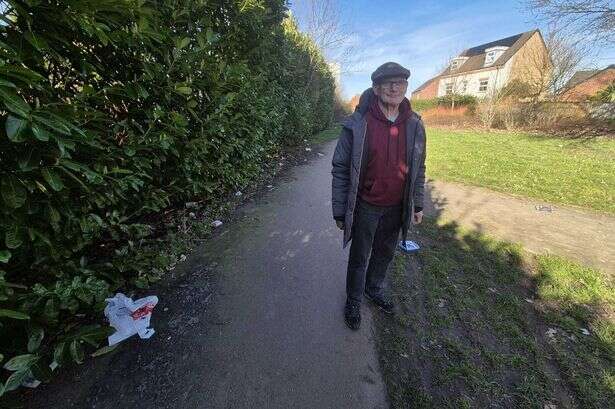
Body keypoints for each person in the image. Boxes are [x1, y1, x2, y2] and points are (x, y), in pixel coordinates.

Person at [331, 62, 426, 330]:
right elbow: (340, 167)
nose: (394, 87)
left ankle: (374, 289)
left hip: (397, 207)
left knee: (384, 253)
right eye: (387, 83)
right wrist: (340, 209)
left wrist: (417, 203)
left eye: (400, 82)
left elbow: (420, 168)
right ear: (376, 88)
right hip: (366, 205)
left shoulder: (416, 124)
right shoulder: (358, 123)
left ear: (406, 88)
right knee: (360, 257)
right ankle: (353, 299)